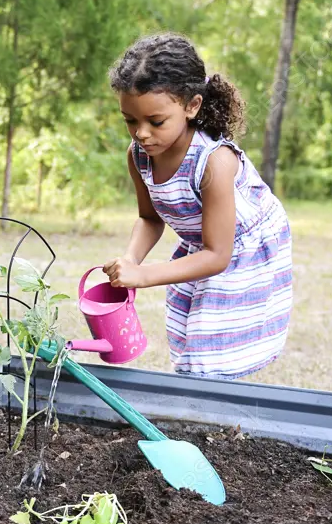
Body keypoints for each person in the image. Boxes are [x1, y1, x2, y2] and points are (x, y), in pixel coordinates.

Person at [102, 32, 293, 380]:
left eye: (155, 122)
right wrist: (131, 260)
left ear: (192, 106)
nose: (141, 133)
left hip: (242, 248)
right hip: (203, 247)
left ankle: (208, 414)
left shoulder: (214, 162)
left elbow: (218, 255)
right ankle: (196, 401)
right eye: (130, 120)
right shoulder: (139, 156)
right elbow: (149, 218)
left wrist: (144, 275)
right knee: (188, 332)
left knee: (211, 346)